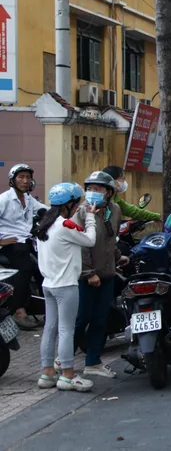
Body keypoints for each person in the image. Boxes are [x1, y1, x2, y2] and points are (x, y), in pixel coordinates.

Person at [34, 182, 96, 393]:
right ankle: (68, 376)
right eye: (76, 203)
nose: (78, 206)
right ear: (68, 204)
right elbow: (90, 241)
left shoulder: (44, 224)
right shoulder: (65, 226)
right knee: (66, 330)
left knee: (49, 329)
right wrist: (90, 217)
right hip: (66, 285)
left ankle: (47, 372)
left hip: (48, 284)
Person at [74, 171, 126, 380]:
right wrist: (88, 273)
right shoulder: (81, 212)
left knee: (100, 320)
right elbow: (80, 245)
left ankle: (93, 361)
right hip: (86, 276)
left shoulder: (115, 210)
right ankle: (64, 359)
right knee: (81, 319)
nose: (93, 193)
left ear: (109, 192)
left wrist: (119, 257)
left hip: (107, 273)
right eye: (90, 189)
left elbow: (111, 239)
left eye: (99, 189)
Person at [0, 164, 46, 329]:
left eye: (28, 177)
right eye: (21, 177)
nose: (25, 181)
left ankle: (48, 309)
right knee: (24, 268)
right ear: (12, 180)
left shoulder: (29, 199)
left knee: (45, 267)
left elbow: (46, 211)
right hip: (11, 244)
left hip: (27, 241)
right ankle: (19, 312)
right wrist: (1, 241)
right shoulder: (4, 199)